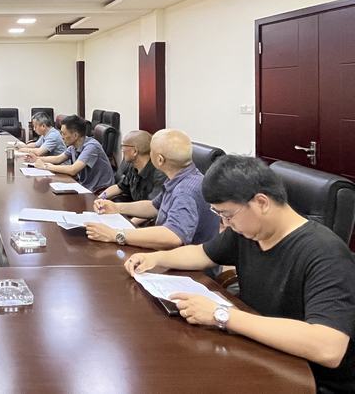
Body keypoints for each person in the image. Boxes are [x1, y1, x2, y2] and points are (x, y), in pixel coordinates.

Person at [124, 156, 355, 392]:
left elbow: (329, 347)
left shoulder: (325, 254)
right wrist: (157, 258)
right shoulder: (249, 232)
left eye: (228, 215)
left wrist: (222, 315)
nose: (225, 224)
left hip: (306, 380)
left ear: (261, 202)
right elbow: (202, 253)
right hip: (259, 353)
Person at [87, 129, 219, 249]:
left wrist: (116, 234)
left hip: (185, 264)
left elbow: (173, 236)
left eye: (151, 152)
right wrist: (117, 207)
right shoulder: (182, 177)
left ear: (160, 160)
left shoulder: (184, 191)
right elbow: (154, 206)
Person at [33, 115, 114, 192]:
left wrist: (45, 166)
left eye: (64, 133)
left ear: (75, 135)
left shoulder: (91, 147)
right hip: (85, 186)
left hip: (99, 191)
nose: (61, 137)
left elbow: (73, 170)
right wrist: (37, 159)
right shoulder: (73, 146)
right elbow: (58, 159)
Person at [101, 130, 166, 202]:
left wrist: (115, 206)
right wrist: (100, 198)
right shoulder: (133, 166)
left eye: (123, 146)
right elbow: (120, 187)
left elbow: (152, 205)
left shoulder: (159, 174)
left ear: (134, 151)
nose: (122, 150)